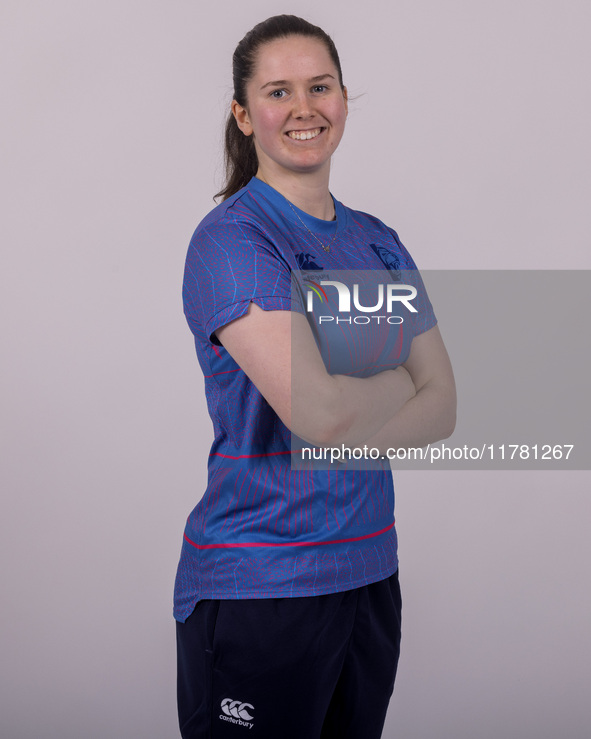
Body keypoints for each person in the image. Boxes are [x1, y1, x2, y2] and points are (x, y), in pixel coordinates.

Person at [175, 14, 456, 739]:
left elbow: (446, 404)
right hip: (262, 585)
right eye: (277, 91)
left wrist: (353, 395)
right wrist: (399, 379)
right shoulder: (234, 242)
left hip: (368, 573)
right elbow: (321, 414)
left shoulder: (375, 240)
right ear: (244, 114)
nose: (304, 107)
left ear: (342, 98)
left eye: (319, 86)